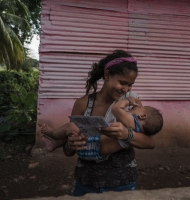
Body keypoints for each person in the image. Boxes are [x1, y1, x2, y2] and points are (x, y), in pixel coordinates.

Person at [48, 49, 158, 196]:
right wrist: (70, 144)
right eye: (122, 83)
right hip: (86, 183)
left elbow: (150, 143)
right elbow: (69, 152)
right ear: (107, 75)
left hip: (122, 183)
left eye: (130, 85)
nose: (126, 89)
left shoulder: (132, 104)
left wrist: (126, 134)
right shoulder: (82, 104)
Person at [40, 95, 163, 162]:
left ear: (142, 115)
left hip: (91, 146)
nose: (132, 108)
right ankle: (55, 143)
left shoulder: (132, 121)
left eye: (138, 108)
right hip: (93, 151)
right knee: (75, 131)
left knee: (72, 126)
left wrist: (127, 100)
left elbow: (116, 109)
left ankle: (52, 134)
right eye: (123, 82)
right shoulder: (138, 130)